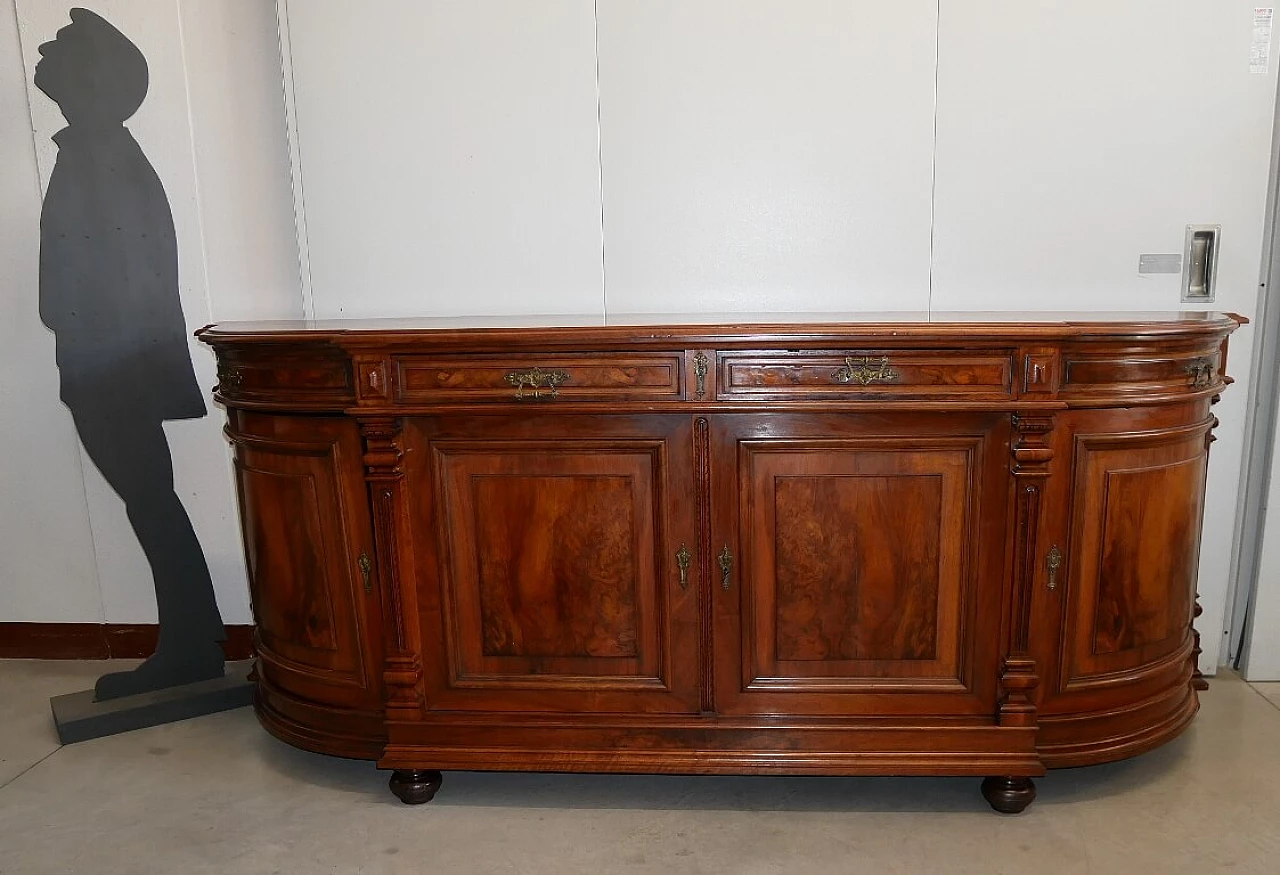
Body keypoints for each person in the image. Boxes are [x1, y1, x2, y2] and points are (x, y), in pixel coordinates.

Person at [36, 8, 226, 700]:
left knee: (150, 500)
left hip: (111, 365)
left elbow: (120, 275)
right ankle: (192, 640)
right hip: (107, 361)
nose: (45, 58)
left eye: (62, 52)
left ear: (88, 79)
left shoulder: (101, 153)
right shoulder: (96, 149)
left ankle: (190, 646)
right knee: (150, 500)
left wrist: (79, 335)